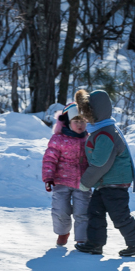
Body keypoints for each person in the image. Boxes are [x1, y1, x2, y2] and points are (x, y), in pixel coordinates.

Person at [73, 89, 135, 257]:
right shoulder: (101, 130)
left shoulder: (106, 134)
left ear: (95, 112)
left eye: (86, 112)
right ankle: (95, 244)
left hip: (115, 184)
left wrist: (85, 182)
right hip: (104, 184)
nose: (84, 116)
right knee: (95, 212)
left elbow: (100, 163)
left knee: (119, 215)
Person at [42, 102, 92, 247]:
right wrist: (48, 177)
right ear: (68, 122)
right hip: (61, 182)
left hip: (83, 183)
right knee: (60, 210)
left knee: (82, 212)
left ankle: (82, 239)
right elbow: (49, 159)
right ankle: (63, 233)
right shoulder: (58, 139)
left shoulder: (88, 139)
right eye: (76, 121)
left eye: (83, 121)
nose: (80, 125)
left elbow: (94, 159)